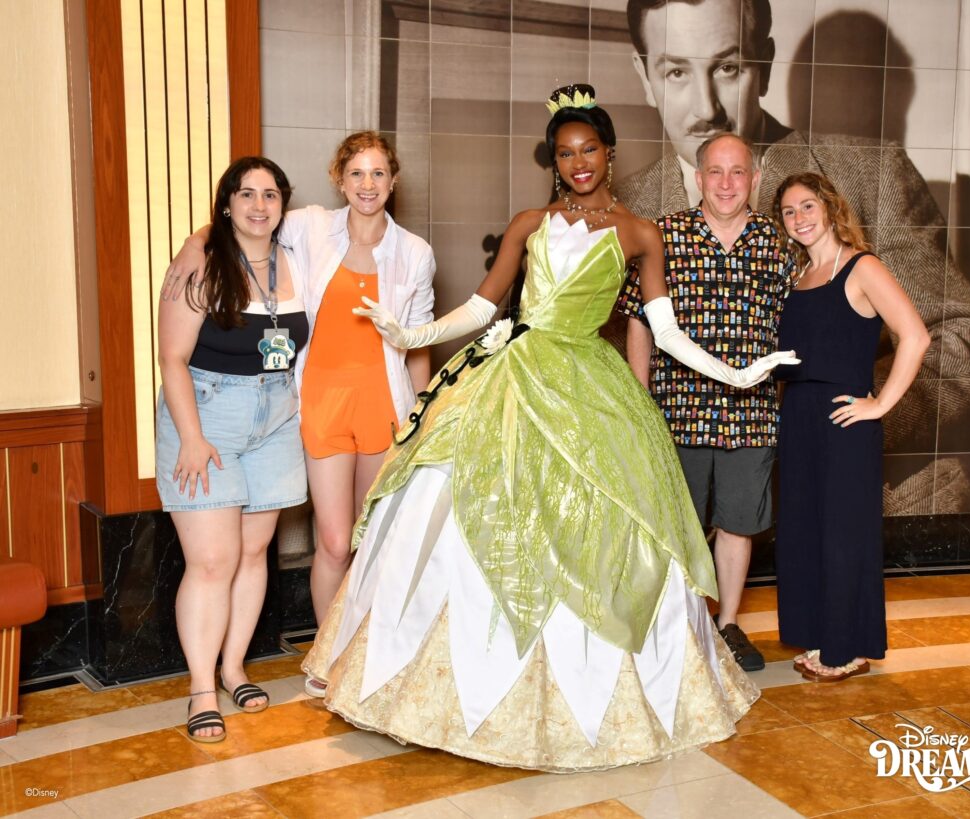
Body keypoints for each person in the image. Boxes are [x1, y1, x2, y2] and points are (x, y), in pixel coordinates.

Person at [302, 85, 796, 771]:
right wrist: (414, 331)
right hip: (514, 374)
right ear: (555, 162)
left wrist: (740, 373)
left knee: (603, 525)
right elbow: (482, 304)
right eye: (565, 154)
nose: (578, 163)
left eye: (589, 148)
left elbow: (667, 333)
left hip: (592, 384)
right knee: (457, 503)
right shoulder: (529, 222)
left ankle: (595, 689)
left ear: (609, 152)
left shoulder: (639, 233)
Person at [618, 0, 970, 515]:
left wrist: (850, 414)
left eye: (728, 67)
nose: (704, 107)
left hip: (868, 496)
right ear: (644, 76)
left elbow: (965, 340)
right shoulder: (623, 210)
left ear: (766, 63)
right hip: (687, 507)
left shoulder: (872, 172)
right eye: (676, 72)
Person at [163, 133, 436, 698]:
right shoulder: (310, 228)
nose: (367, 184)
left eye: (378, 174)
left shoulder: (415, 252)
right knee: (334, 542)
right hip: (316, 403)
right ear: (340, 178)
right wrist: (196, 242)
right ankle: (326, 653)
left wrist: (423, 413)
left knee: (377, 539)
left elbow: (419, 341)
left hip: (381, 405)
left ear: (393, 180)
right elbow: (240, 222)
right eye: (357, 173)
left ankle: (371, 653)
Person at [617, 132, 788, 673]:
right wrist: (640, 396)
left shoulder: (777, 244)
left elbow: (795, 328)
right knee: (677, 522)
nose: (727, 183)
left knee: (738, 523)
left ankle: (727, 623)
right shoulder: (663, 235)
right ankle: (679, 628)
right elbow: (639, 320)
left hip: (751, 413)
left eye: (738, 172)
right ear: (697, 176)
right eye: (716, 171)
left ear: (755, 180)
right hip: (676, 409)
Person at [156, 157, 309, 742]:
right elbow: (172, 355)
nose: (258, 205)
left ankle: (234, 667)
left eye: (271, 194)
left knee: (252, 552)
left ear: (283, 204)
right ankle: (201, 689)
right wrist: (191, 437)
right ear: (226, 204)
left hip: (275, 419)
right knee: (212, 561)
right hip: (207, 413)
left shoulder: (298, 256)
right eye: (245, 194)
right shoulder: (203, 260)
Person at [772, 172, 929, 681]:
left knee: (842, 534)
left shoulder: (862, 267)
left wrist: (880, 404)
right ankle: (823, 635)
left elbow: (916, 336)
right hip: (798, 418)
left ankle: (843, 649)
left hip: (844, 420)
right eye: (789, 211)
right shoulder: (798, 278)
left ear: (831, 207)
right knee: (807, 531)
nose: (799, 217)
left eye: (808, 205)